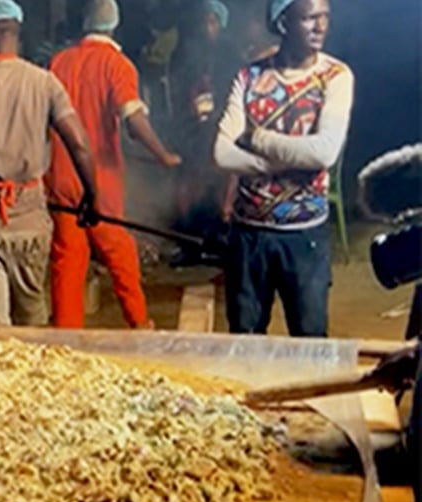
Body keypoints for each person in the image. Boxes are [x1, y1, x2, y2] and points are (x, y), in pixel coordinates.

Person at [0, 0, 99, 327]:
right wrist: (91, 196)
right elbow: (80, 144)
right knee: (33, 318)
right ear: (16, 34)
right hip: (31, 224)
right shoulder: (46, 83)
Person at [213, 0, 353, 337]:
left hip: (305, 237)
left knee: (310, 342)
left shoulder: (335, 76)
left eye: (324, 17)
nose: (320, 27)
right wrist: (283, 163)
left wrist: (256, 137)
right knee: (245, 340)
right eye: (309, 18)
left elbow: (323, 153)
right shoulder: (249, 76)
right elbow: (220, 153)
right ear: (283, 21)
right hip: (250, 236)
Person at [45, 0, 181, 330]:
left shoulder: (58, 62)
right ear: (114, 25)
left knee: (67, 260)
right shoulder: (117, 64)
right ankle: (139, 323)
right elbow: (133, 119)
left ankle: (67, 336)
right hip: (100, 178)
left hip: (60, 174)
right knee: (118, 251)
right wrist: (163, 154)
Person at [169, 0, 230, 238]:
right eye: (204, 20)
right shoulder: (186, 51)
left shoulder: (229, 53)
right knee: (189, 171)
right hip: (191, 125)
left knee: (221, 172)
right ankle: (186, 227)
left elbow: (232, 90)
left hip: (221, 124)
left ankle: (220, 223)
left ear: (221, 25)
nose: (207, 26)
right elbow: (179, 86)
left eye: (213, 21)